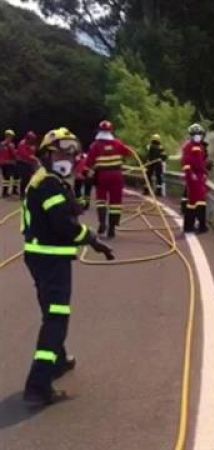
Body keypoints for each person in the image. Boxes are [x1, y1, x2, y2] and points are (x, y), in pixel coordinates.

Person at [21, 127, 113, 406]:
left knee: (51, 311)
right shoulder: (49, 184)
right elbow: (64, 226)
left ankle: (58, 360)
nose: (68, 159)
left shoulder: (49, 180)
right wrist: (93, 240)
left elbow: (69, 213)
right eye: (61, 153)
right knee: (56, 318)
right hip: (50, 259)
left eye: (72, 154)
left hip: (43, 256)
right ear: (47, 155)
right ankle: (38, 386)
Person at [85, 120, 134, 238]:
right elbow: (129, 153)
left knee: (101, 200)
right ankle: (112, 228)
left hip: (102, 176)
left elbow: (88, 163)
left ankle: (102, 223)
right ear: (111, 131)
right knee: (116, 202)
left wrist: (86, 174)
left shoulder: (95, 145)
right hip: (117, 176)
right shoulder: (117, 143)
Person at [181, 123, 211, 233]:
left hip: (197, 177)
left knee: (192, 203)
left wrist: (207, 164)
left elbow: (199, 162)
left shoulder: (197, 146)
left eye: (199, 134)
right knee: (200, 201)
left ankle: (188, 226)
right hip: (195, 177)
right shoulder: (191, 146)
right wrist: (191, 174)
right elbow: (188, 163)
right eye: (196, 134)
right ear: (191, 135)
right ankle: (201, 226)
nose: (198, 136)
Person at [16, 131, 40, 196]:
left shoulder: (32, 144)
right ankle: (22, 193)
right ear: (28, 138)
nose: (32, 140)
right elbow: (24, 154)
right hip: (22, 163)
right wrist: (34, 158)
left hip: (30, 163)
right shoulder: (22, 144)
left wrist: (34, 160)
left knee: (30, 178)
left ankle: (28, 191)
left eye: (33, 139)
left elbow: (33, 153)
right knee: (24, 178)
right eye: (31, 139)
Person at [73, 146, 93, 210]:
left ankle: (81, 203)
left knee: (77, 189)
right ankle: (86, 204)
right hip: (89, 175)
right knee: (87, 190)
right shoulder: (91, 156)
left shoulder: (79, 156)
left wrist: (76, 172)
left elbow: (75, 163)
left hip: (80, 174)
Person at [1, 129, 17, 197]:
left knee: (9, 177)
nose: (10, 138)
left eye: (11, 137)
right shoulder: (2, 144)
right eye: (9, 136)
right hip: (4, 163)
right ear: (6, 136)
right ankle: (4, 192)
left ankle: (10, 191)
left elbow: (14, 154)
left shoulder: (12, 145)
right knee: (6, 177)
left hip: (10, 163)